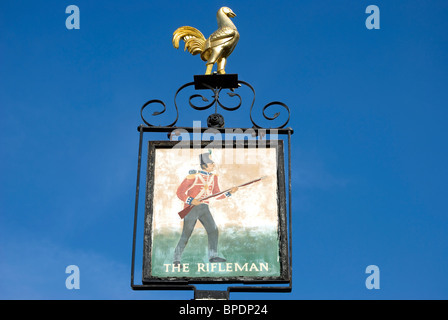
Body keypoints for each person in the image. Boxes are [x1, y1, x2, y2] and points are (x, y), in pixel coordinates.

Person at [173, 152, 238, 266]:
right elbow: (180, 192)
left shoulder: (214, 177)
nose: (213, 164)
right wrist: (191, 200)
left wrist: (229, 193)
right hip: (192, 208)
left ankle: (213, 256)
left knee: (213, 230)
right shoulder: (193, 177)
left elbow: (216, 194)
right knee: (186, 233)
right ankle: (176, 259)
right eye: (210, 163)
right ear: (204, 165)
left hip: (204, 208)